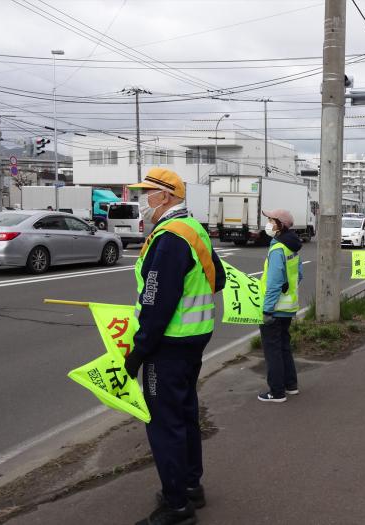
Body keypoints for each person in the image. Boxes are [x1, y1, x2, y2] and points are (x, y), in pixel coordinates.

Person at [124, 168, 226, 525]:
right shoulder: (194, 228)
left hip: (167, 345)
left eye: (145, 194)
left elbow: (156, 301)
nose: (140, 201)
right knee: (184, 415)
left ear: (165, 197)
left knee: (165, 423)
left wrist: (138, 353)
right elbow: (220, 278)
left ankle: (176, 506)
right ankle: (190, 487)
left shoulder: (169, 238)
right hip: (194, 337)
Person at [258, 209, 303, 403]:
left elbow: (275, 282)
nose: (268, 223)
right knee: (284, 346)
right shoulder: (292, 246)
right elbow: (298, 275)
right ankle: (290, 385)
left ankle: (276, 392)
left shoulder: (278, 249)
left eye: (271, 220)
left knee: (273, 350)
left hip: (275, 308)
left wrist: (267, 309)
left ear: (280, 225)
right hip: (288, 307)